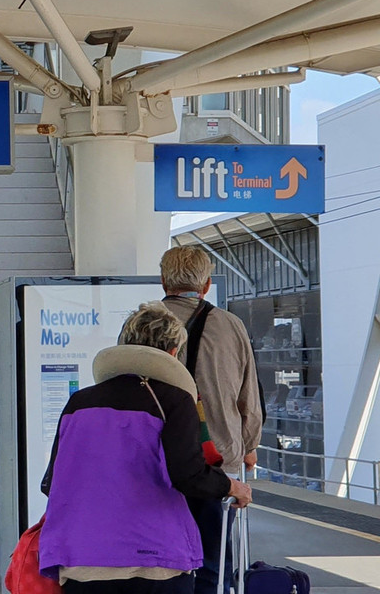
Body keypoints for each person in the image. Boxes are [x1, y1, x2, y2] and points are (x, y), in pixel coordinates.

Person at [39, 301, 252, 593]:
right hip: (152, 560)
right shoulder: (174, 401)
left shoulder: (79, 402)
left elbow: (53, 480)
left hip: (81, 560)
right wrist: (231, 486)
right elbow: (187, 474)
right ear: (174, 352)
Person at [160, 246, 264, 594]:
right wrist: (248, 447)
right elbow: (248, 397)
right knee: (213, 561)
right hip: (217, 461)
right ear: (205, 285)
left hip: (158, 462)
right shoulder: (231, 326)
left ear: (164, 280)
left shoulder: (144, 322)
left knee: (159, 555)